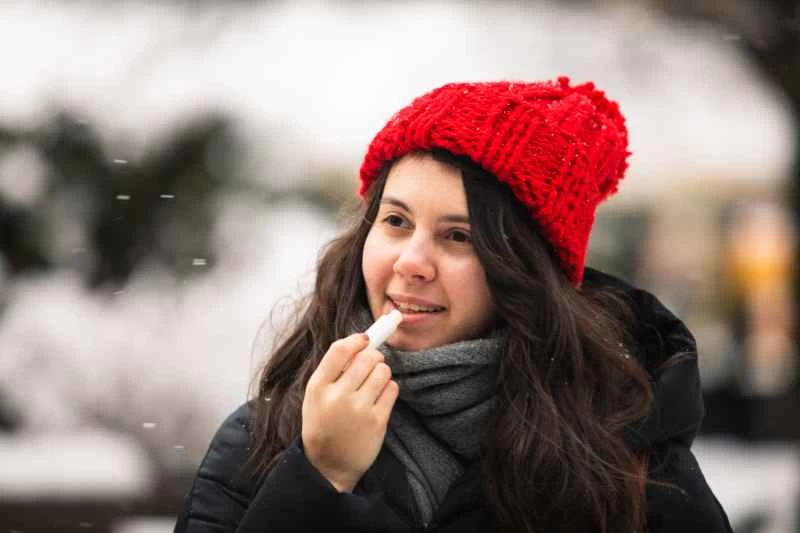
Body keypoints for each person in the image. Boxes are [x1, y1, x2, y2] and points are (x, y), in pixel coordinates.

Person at [173, 78, 733, 532]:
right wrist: (319, 474)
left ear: (525, 274)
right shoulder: (264, 437)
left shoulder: (627, 466)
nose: (412, 262)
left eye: (458, 236)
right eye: (396, 221)